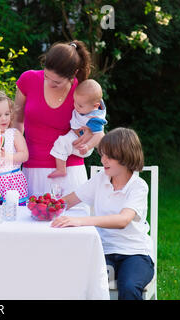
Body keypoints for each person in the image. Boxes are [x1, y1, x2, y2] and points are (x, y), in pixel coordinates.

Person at [51, 128, 154, 300]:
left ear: (126, 156)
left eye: (109, 156)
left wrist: (81, 221)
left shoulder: (138, 186)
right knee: (80, 282)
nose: (103, 160)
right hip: (103, 250)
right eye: (102, 155)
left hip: (135, 253)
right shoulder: (101, 178)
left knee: (128, 287)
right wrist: (45, 207)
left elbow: (123, 220)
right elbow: (71, 200)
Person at [14, 40, 103, 206]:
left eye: (56, 82)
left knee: (69, 228)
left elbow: (99, 131)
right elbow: (17, 122)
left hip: (70, 173)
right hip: (31, 170)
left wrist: (89, 141)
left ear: (73, 74)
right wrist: (14, 159)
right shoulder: (28, 79)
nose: (49, 83)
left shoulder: (82, 92)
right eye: (47, 76)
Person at [48, 79, 107, 178]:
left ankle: (61, 169)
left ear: (95, 106)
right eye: (75, 102)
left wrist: (87, 146)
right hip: (76, 135)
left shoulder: (94, 118)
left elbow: (99, 135)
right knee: (62, 143)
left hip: (83, 144)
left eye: (80, 105)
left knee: (61, 142)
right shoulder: (88, 103)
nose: (75, 106)